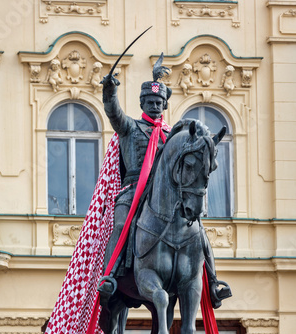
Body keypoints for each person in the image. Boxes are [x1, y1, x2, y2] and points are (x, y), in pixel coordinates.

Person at [98, 55, 231, 309]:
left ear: (165, 105)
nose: (155, 106)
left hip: (166, 193)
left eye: (159, 102)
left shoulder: (172, 136)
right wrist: (109, 90)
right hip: (133, 188)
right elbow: (113, 112)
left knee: (198, 227)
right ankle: (110, 276)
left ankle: (213, 282)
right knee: (119, 222)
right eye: (150, 102)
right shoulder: (129, 128)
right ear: (142, 103)